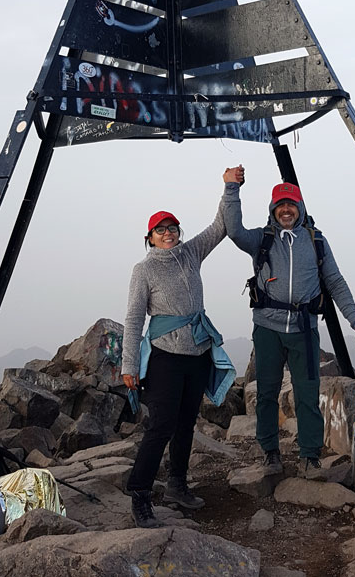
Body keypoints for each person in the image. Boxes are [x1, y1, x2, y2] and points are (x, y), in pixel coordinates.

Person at [222, 166, 355, 478]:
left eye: (291, 204)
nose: (286, 210)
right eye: (280, 205)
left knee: (307, 391)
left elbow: (335, 281)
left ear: (300, 208)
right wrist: (231, 189)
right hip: (267, 328)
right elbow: (234, 230)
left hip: (304, 329)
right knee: (266, 391)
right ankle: (270, 452)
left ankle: (309, 455)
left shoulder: (316, 241)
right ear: (273, 210)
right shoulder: (261, 240)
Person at [121, 199, 235, 529]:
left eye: (172, 228)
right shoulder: (144, 270)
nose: (168, 233)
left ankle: (177, 485)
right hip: (164, 358)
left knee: (186, 423)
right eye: (161, 230)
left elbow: (220, 227)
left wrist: (230, 188)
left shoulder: (191, 253)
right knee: (161, 425)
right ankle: (140, 495)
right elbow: (133, 318)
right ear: (150, 238)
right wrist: (129, 364)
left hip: (197, 354)